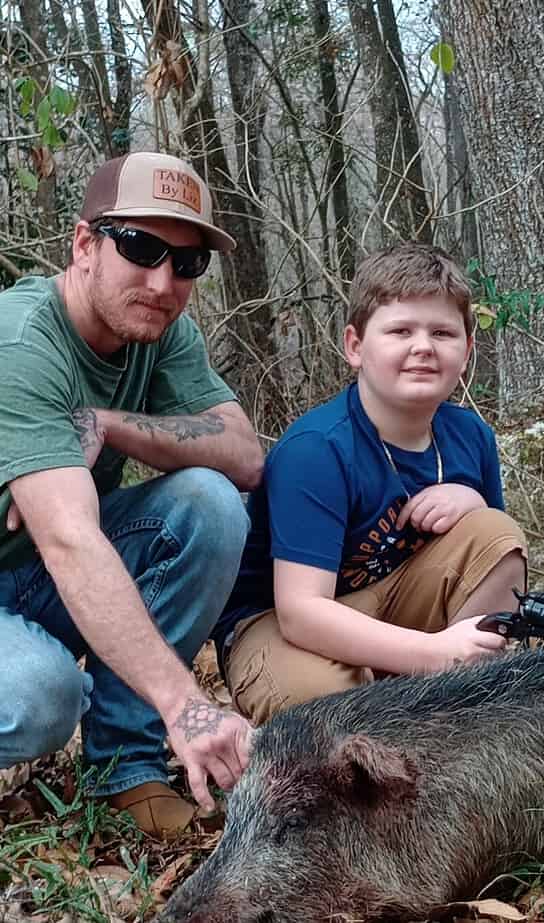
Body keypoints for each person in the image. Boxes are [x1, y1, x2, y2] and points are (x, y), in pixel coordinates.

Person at [0, 151, 264, 837]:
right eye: (140, 247)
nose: (162, 280)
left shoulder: (161, 329)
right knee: (39, 695)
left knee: (208, 503)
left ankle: (127, 767)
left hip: (27, 574)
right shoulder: (22, 341)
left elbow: (241, 454)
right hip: (44, 561)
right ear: (84, 244)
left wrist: (109, 423)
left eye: (186, 262)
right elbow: (70, 538)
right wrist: (188, 707)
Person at [212, 242, 527, 725]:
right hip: (278, 623)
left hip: (391, 605)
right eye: (400, 330)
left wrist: (473, 499)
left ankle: (458, 716)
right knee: (326, 705)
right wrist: (432, 653)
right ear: (355, 346)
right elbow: (301, 612)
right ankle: (409, 695)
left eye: (442, 332)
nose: (423, 346)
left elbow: (494, 565)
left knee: (496, 534)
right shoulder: (317, 449)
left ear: (467, 351)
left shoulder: (471, 436)